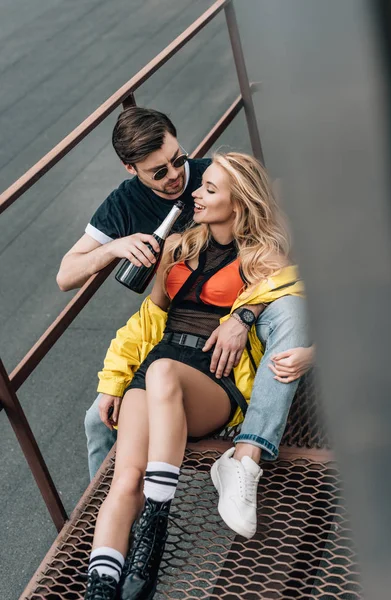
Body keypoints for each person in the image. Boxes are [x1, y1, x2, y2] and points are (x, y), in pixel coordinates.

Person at [57, 106, 313, 536]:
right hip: (181, 328)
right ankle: (113, 516)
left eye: (179, 159)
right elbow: (67, 274)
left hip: (249, 301)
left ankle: (247, 454)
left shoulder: (211, 174)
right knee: (98, 417)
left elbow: (274, 215)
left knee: (293, 308)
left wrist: (246, 315)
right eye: (159, 172)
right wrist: (115, 247)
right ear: (131, 168)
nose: (178, 178)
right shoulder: (124, 204)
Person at [84, 152, 309, 600]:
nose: (196, 194)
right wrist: (113, 381)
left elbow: (298, 291)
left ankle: (156, 522)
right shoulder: (177, 247)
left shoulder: (262, 255)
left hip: (211, 382)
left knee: (165, 372)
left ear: (239, 202)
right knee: (125, 477)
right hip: (158, 369)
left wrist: (245, 313)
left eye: (209, 189)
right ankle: (102, 586)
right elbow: (149, 321)